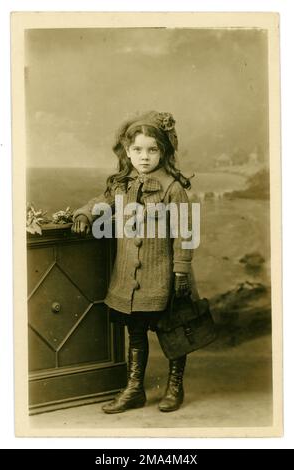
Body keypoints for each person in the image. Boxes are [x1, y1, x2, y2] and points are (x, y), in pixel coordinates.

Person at [72, 110, 194, 413]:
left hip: (164, 274)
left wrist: (180, 271)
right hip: (129, 278)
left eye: (152, 150)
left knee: (173, 330)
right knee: (136, 332)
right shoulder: (123, 185)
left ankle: (174, 387)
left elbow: (185, 234)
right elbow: (102, 201)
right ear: (127, 152)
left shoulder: (172, 188)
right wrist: (85, 213)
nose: (144, 156)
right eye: (137, 149)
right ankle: (134, 389)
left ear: (163, 152)